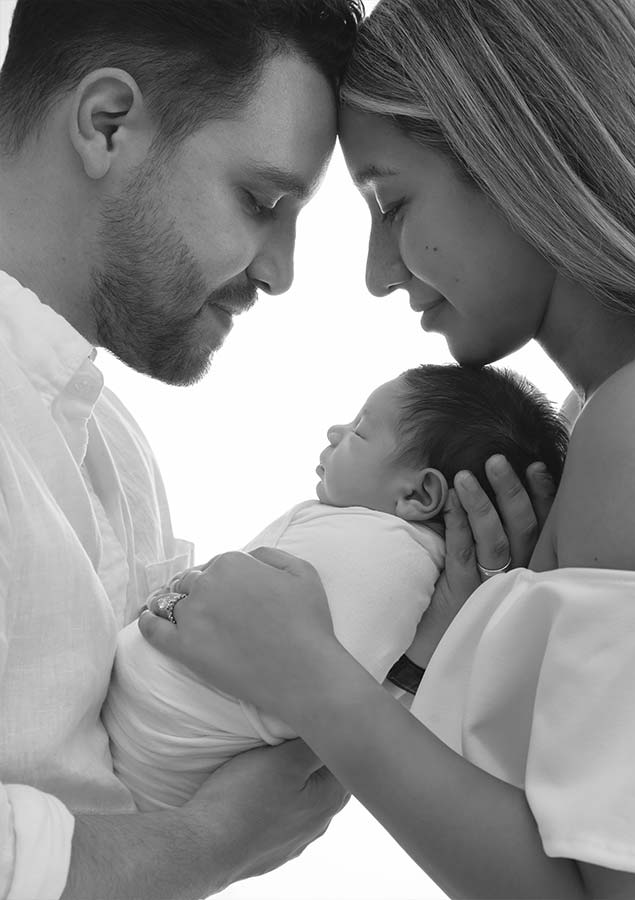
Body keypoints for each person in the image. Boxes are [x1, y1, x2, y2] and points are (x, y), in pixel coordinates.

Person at [140, 1, 635, 898]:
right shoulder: (592, 423)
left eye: (390, 203)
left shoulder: (630, 424)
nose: (379, 274)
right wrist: (438, 646)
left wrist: (312, 679)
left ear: (518, 156)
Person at [0, 1, 369, 898]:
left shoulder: (111, 447)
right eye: (260, 201)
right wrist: (209, 844)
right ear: (107, 124)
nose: (279, 271)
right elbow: (191, 831)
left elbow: (149, 772)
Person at [105, 364, 568, 811]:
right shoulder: (372, 540)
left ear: (418, 495)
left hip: (161, 754)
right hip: (149, 750)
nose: (335, 431)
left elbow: (328, 699)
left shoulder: (389, 554)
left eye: (360, 431)